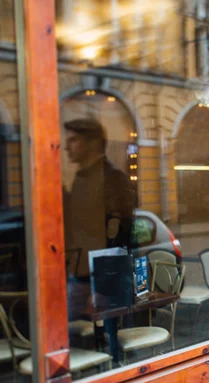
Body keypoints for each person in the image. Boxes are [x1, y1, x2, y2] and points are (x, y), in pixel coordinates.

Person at [62, 118, 136, 366]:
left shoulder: (112, 178)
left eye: (73, 140)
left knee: (110, 336)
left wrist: (104, 286)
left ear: (92, 143)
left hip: (99, 276)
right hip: (79, 272)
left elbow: (122, 235)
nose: (66, 147)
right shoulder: (81, 177)